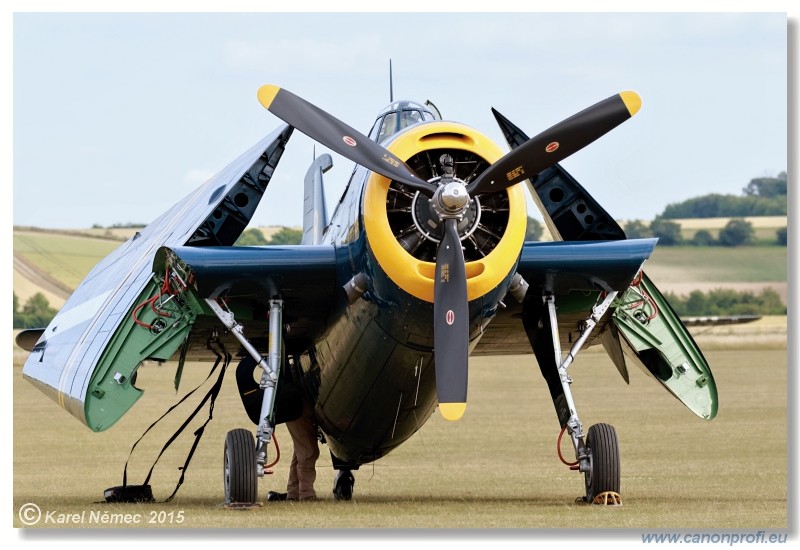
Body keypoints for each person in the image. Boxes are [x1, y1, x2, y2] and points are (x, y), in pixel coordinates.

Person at [267, 399, 320, 501]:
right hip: (297, 407)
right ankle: (306, 495)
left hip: (295, 405)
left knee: (301, 450)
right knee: (307, 452)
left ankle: (294, 493)